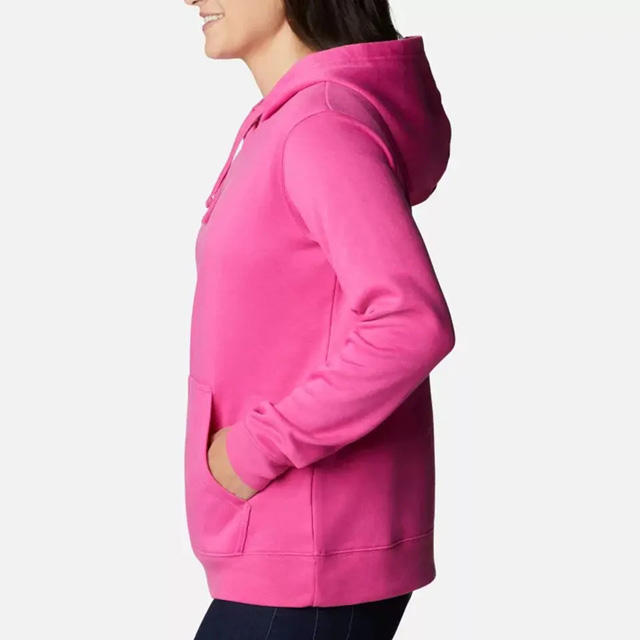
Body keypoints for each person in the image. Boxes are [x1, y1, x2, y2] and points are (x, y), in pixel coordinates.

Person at [182, 1, 455, 637]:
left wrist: (253, 450)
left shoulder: (320, 127)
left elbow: (412, 322)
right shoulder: (295, 121)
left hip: (311, 551)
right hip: (292, 542)